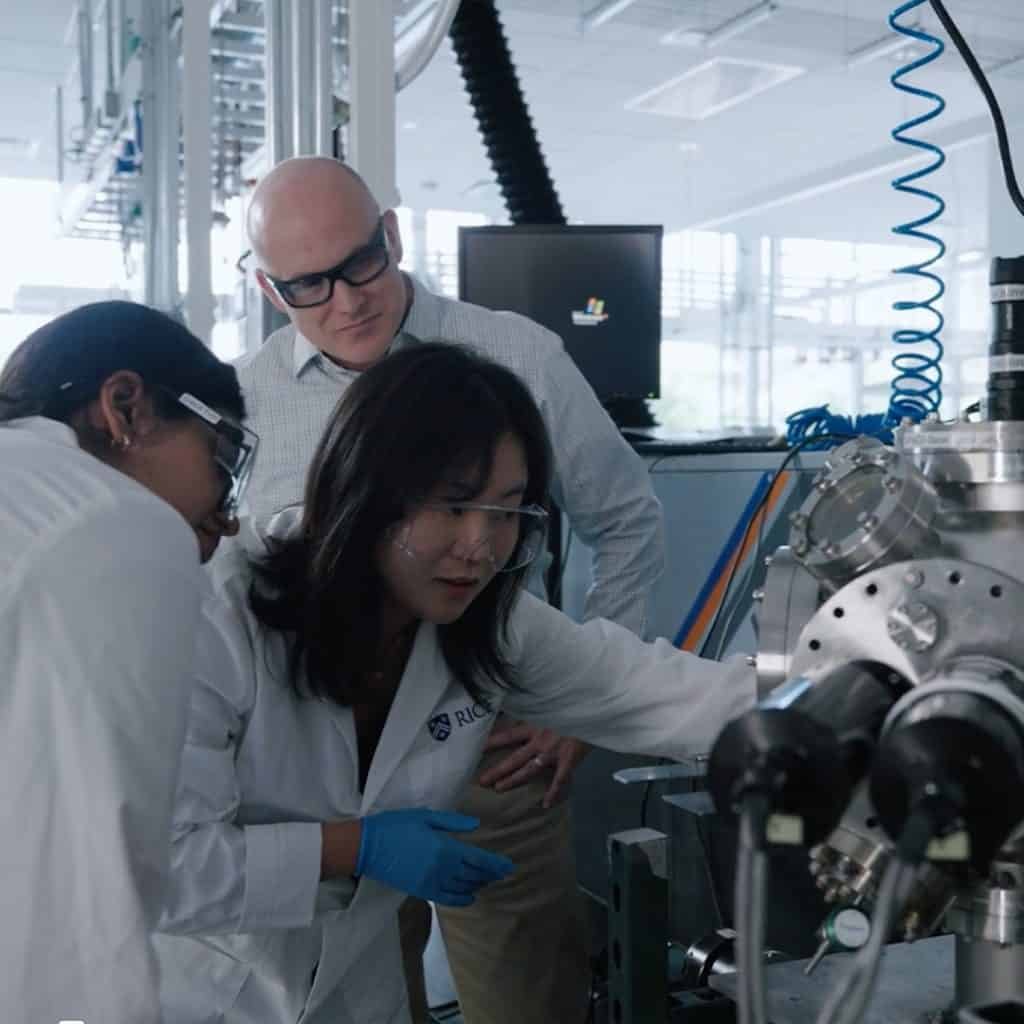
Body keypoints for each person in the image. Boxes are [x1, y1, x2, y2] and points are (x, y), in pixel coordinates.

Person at [154, 342, 751, 1024]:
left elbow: (652, 691)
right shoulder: (219, 616)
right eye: (453, 505)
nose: (480, 545)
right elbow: (163, 868)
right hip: (199, 990)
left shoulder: (486, 620)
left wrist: (846, 701)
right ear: (368, 490)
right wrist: (357, 845)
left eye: (506, 512)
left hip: (351, 990)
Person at [238, 155, 666, 1022]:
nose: (347, 300)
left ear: (392, 235)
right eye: (308, 286)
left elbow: (626, 519)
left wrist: (572, 708)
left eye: (361, 263)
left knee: (527, 1001)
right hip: (324, 782)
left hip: (491, 748)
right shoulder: (244, 403)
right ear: (269, 291)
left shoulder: (515, 356)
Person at [0, 300, 255, 1024]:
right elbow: (107, 848)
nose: (230, 513)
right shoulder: (119, 518)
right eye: (224, 456)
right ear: (125, 408)